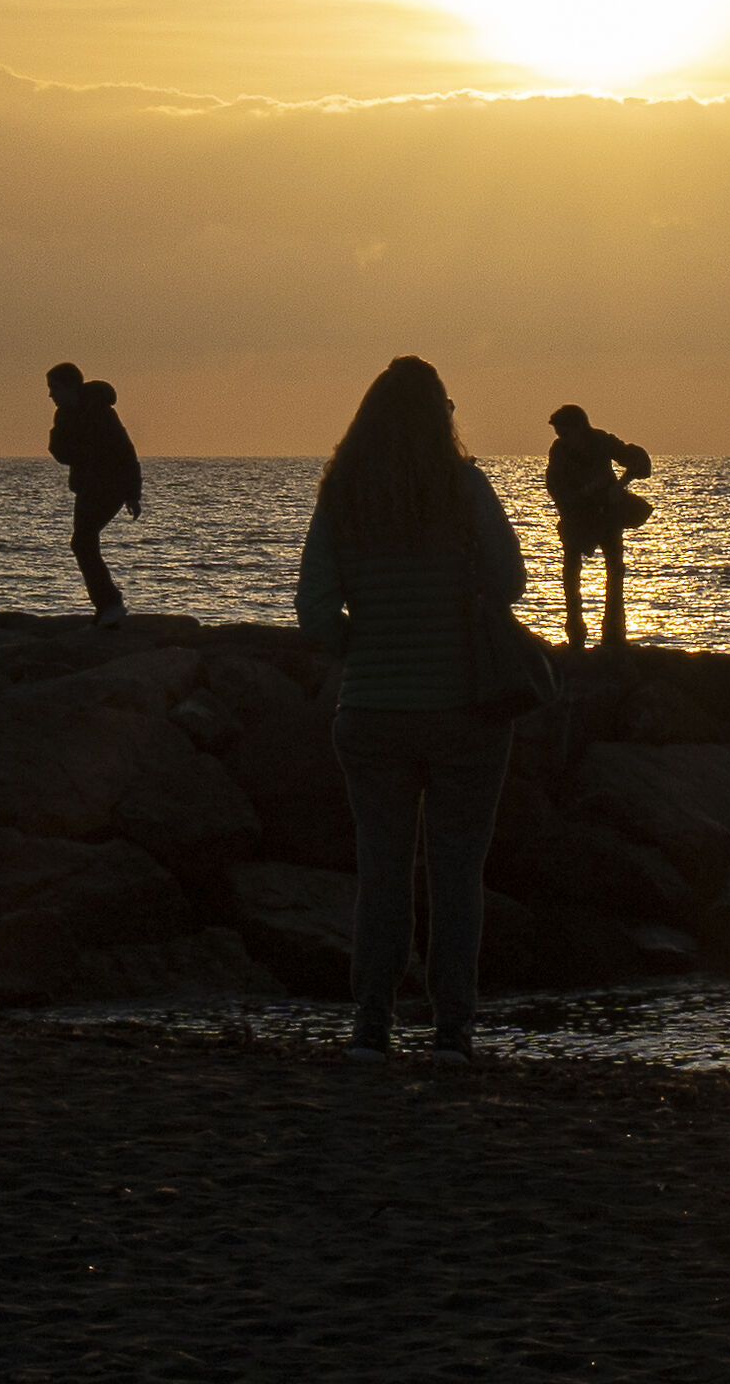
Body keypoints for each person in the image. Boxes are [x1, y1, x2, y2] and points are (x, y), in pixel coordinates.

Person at [296, 354, 527, 1065]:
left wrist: (358, 644)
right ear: (442, 416)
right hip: (465, 710)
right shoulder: (464, 487)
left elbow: (312, 606)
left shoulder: (344, 493)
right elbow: (513, 579)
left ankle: (372, 1023)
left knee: (382, 870)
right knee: (458, 876)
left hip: (370, 710)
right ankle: (452, 1030)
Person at [543, 403, 652, 652]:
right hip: (577, 516)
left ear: (580, 428)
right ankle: (576, 632)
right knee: (571, 572)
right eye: (559, 433)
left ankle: (613, 632)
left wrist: (620, 483)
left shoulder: (601, 441)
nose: (562, 438)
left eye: (565, 432)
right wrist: (581, 495)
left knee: (614, 570)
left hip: (608, 515)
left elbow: (639, 462)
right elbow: (555, 486)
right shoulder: (559, 451)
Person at [46, 362, 141, 629]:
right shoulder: (64, 416)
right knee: (82, 543)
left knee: (83, 541)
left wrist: (133, 494)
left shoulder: (101, 412)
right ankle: (108, 607)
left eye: (54, 388)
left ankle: (110, 604)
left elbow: (126, 452)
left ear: (69, 387)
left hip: (111, 487)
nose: (51, 395)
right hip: (87, 487)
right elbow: (60, 452)